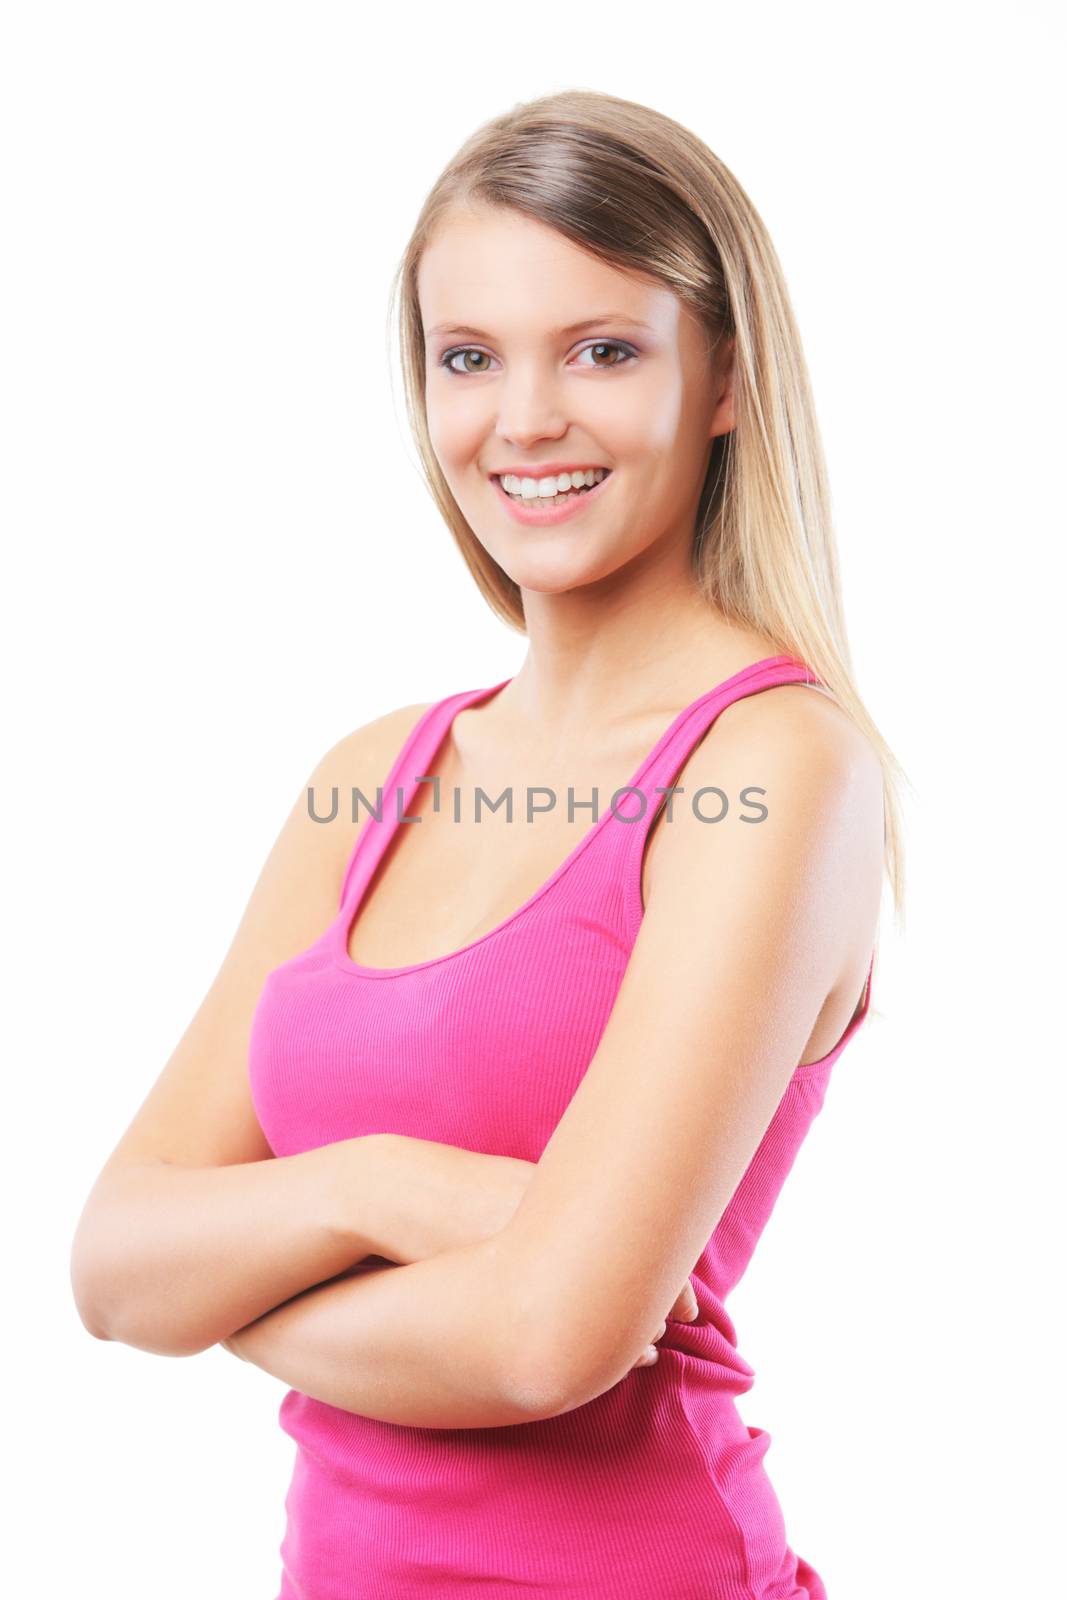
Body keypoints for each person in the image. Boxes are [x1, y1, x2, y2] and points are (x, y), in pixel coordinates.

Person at [71, 87, 905, 1599]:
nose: (523, 419)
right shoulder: (367, 778)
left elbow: (545, 1342)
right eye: (470, 358)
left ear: (723, 377)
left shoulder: (774, 767)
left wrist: (236, 1301)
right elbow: (116, 1261)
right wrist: (375, 1192)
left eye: (601, 349)